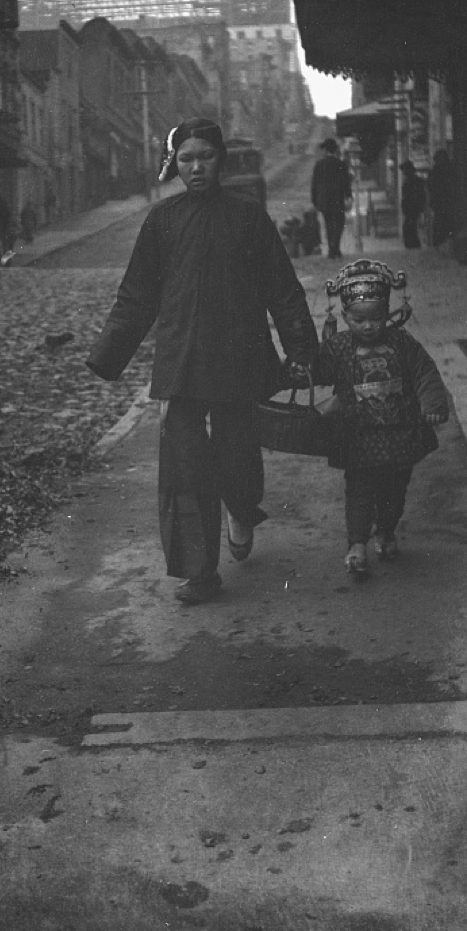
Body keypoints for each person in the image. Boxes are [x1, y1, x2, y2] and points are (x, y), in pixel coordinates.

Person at [86, 118, 318, 605]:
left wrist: (302, 352)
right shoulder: (162, 221)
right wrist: (109, 357)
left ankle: (241, 507)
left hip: (239, 358)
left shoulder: (248, 217)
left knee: (236, 453)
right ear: (177, 164)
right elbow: (137, 295)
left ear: (220, 161)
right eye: (187, 159)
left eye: (206, 157)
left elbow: (282, 288)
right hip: (183, 361)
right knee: (184, 468)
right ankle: (200, 572)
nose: (196, 167)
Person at [306, 259, 449, 577]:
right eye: (359, 320)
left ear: (388, 313)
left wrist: (432, 404)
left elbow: (425, 372)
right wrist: (299, 369)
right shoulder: (338, 346)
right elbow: (317, 369)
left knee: (394, 492)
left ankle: (385, 530)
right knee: (358, 491)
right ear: (344, 317)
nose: (368, 326)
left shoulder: (402, 343)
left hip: (400, 436)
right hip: (358, 438)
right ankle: (357, 544)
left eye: (376, 318)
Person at [310, 137, 352, 259]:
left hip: (324, 200)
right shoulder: (341, 164)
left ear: (325, 150)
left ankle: (331, 249)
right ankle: (335, 247)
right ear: (335, 150)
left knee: (328, 224)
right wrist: (348, 196)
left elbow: (314, 184)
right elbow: (346, 182)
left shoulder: (319, 165)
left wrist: (315, 200)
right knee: (339, 222)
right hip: (337, 198)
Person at [427, 149, 455, 246]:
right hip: (447, 203)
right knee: (446, 225)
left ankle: (439, 245)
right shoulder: (451, 169)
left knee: (440, 225)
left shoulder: (435, 171)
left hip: (440, 203)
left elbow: (429, 186)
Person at [400, 161, 426, 249]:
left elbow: (416, 196)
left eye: (404, 170)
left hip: (412, 209)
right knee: (410, 229)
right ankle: (414, 247)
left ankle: (414, 247)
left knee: (409, 229)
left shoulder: (414, 181)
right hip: (411, 209)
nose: (403, 172)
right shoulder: (411, 181)